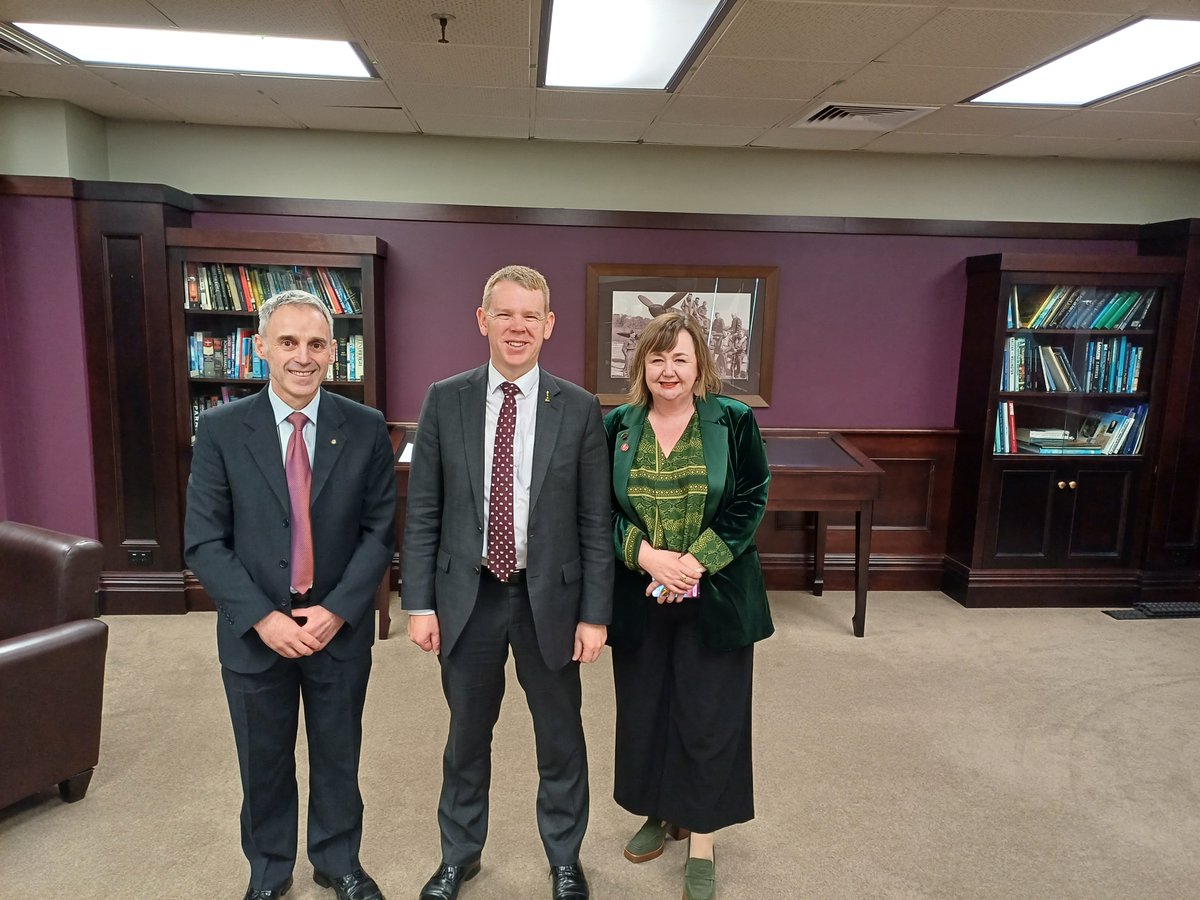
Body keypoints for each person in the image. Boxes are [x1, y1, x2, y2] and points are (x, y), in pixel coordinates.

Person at [403, 265, 613, 900]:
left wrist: (594, 614)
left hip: (549, 598)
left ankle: (565, 858)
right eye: (505, 313)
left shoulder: (578, 408)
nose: (517, 326)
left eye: (531, 316)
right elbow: (424, 513)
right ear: (482, 320)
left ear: (548, 326)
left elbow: (594, 520)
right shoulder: (446, 398)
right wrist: (419, 602)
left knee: (560, 738)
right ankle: (458, 856)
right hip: (466, 600)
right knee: (466, 737)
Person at [185, 290, 396, 900]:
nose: (302, 357)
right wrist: (261, 619)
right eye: (288, 342)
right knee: (264, 762)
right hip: (256, 636)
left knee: (338, 755)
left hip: (337, 631)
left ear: (333, 352)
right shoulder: (222, 429)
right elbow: (203, 542)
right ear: (261, 349)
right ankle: (269, 871)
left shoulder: (364, 427)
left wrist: (337, 611)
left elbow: (379, 532)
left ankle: (338, 861)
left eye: (315, 344)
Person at [603, 311, 773, 900]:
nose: (668, 370)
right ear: (641, 365)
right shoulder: (619, 426)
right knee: (647, 710)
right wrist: (648, 558)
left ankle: (701, 835)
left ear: (699, 363)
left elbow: (751, 498)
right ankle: (657, 811)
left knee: (708, 716)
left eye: (679, 357)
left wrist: (692, 564)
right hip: (639, 593)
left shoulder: (733, 421)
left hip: (716, 595)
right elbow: (598, 510)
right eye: (656, 358)